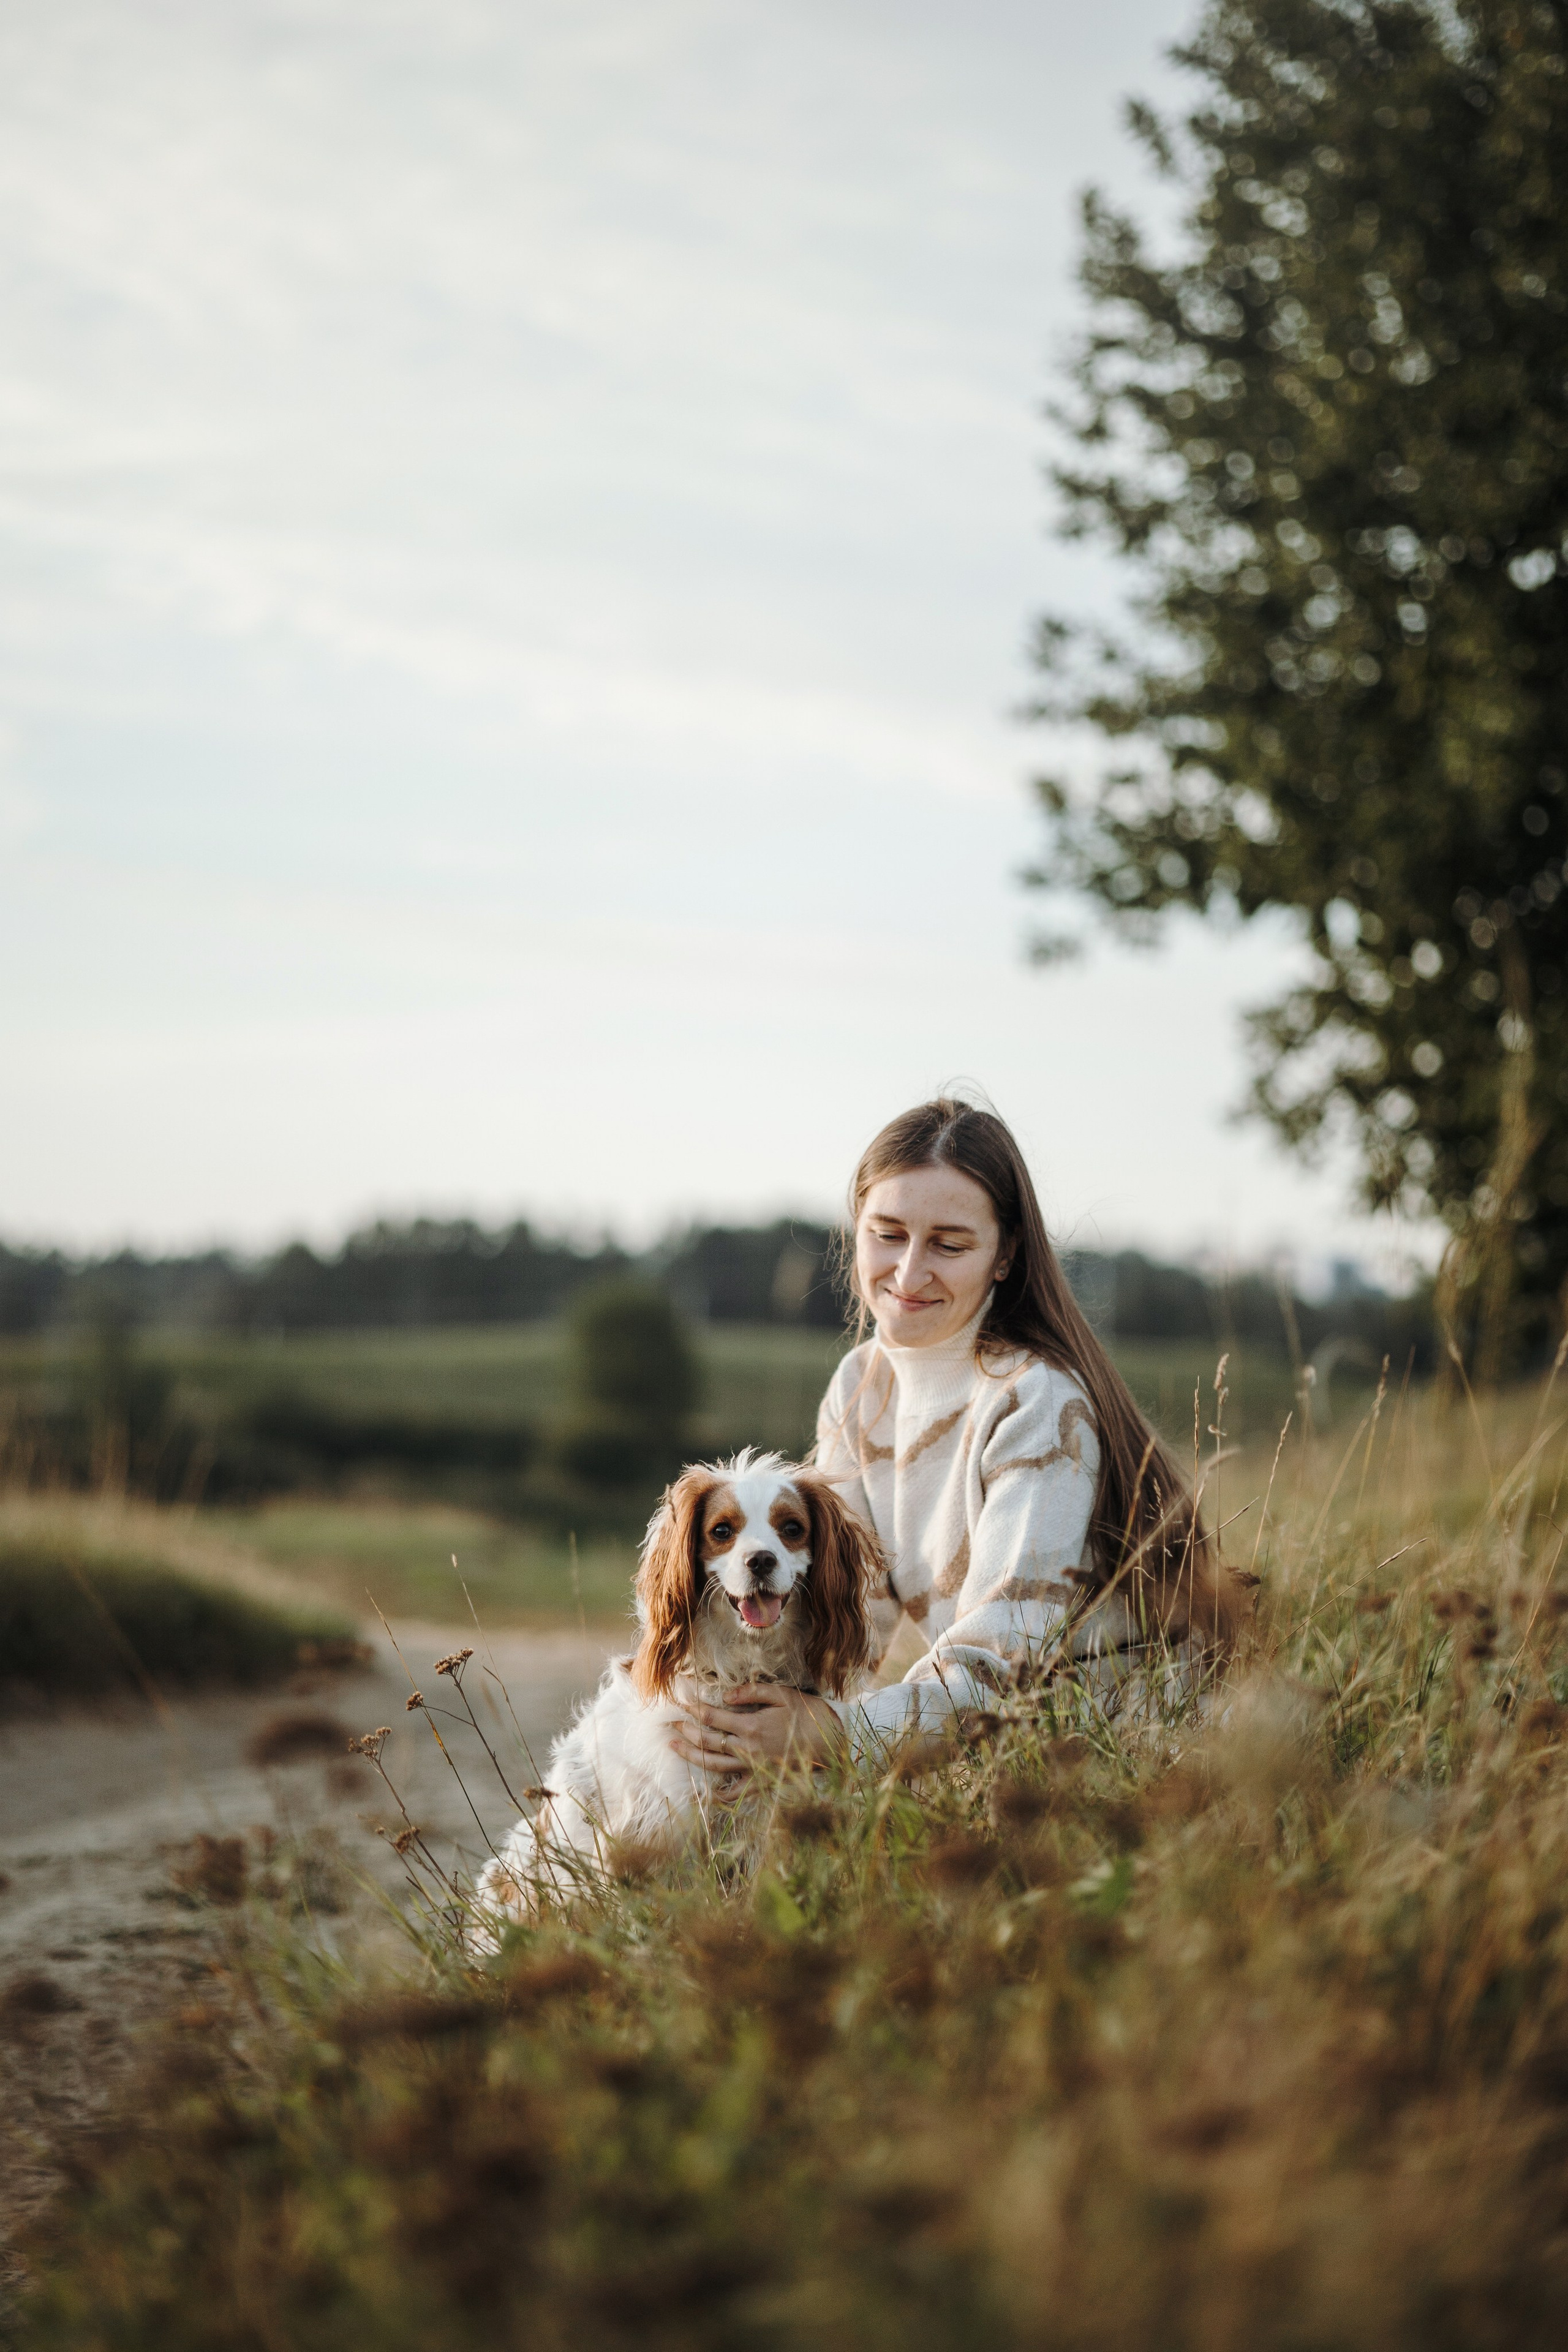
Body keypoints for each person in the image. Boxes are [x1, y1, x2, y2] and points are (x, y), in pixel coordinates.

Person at [670, 1096, 1245, 1785]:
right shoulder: (861, 1387)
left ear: (1004, 1256)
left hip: (1122, 1763)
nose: (908, 1275)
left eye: (948, 1244)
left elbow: (1000, 1668)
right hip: (994, 1747)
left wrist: (829, 1733)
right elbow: (841, 1626)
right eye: (887, 1234)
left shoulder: (1037, 1403)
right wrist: (720, 1708)